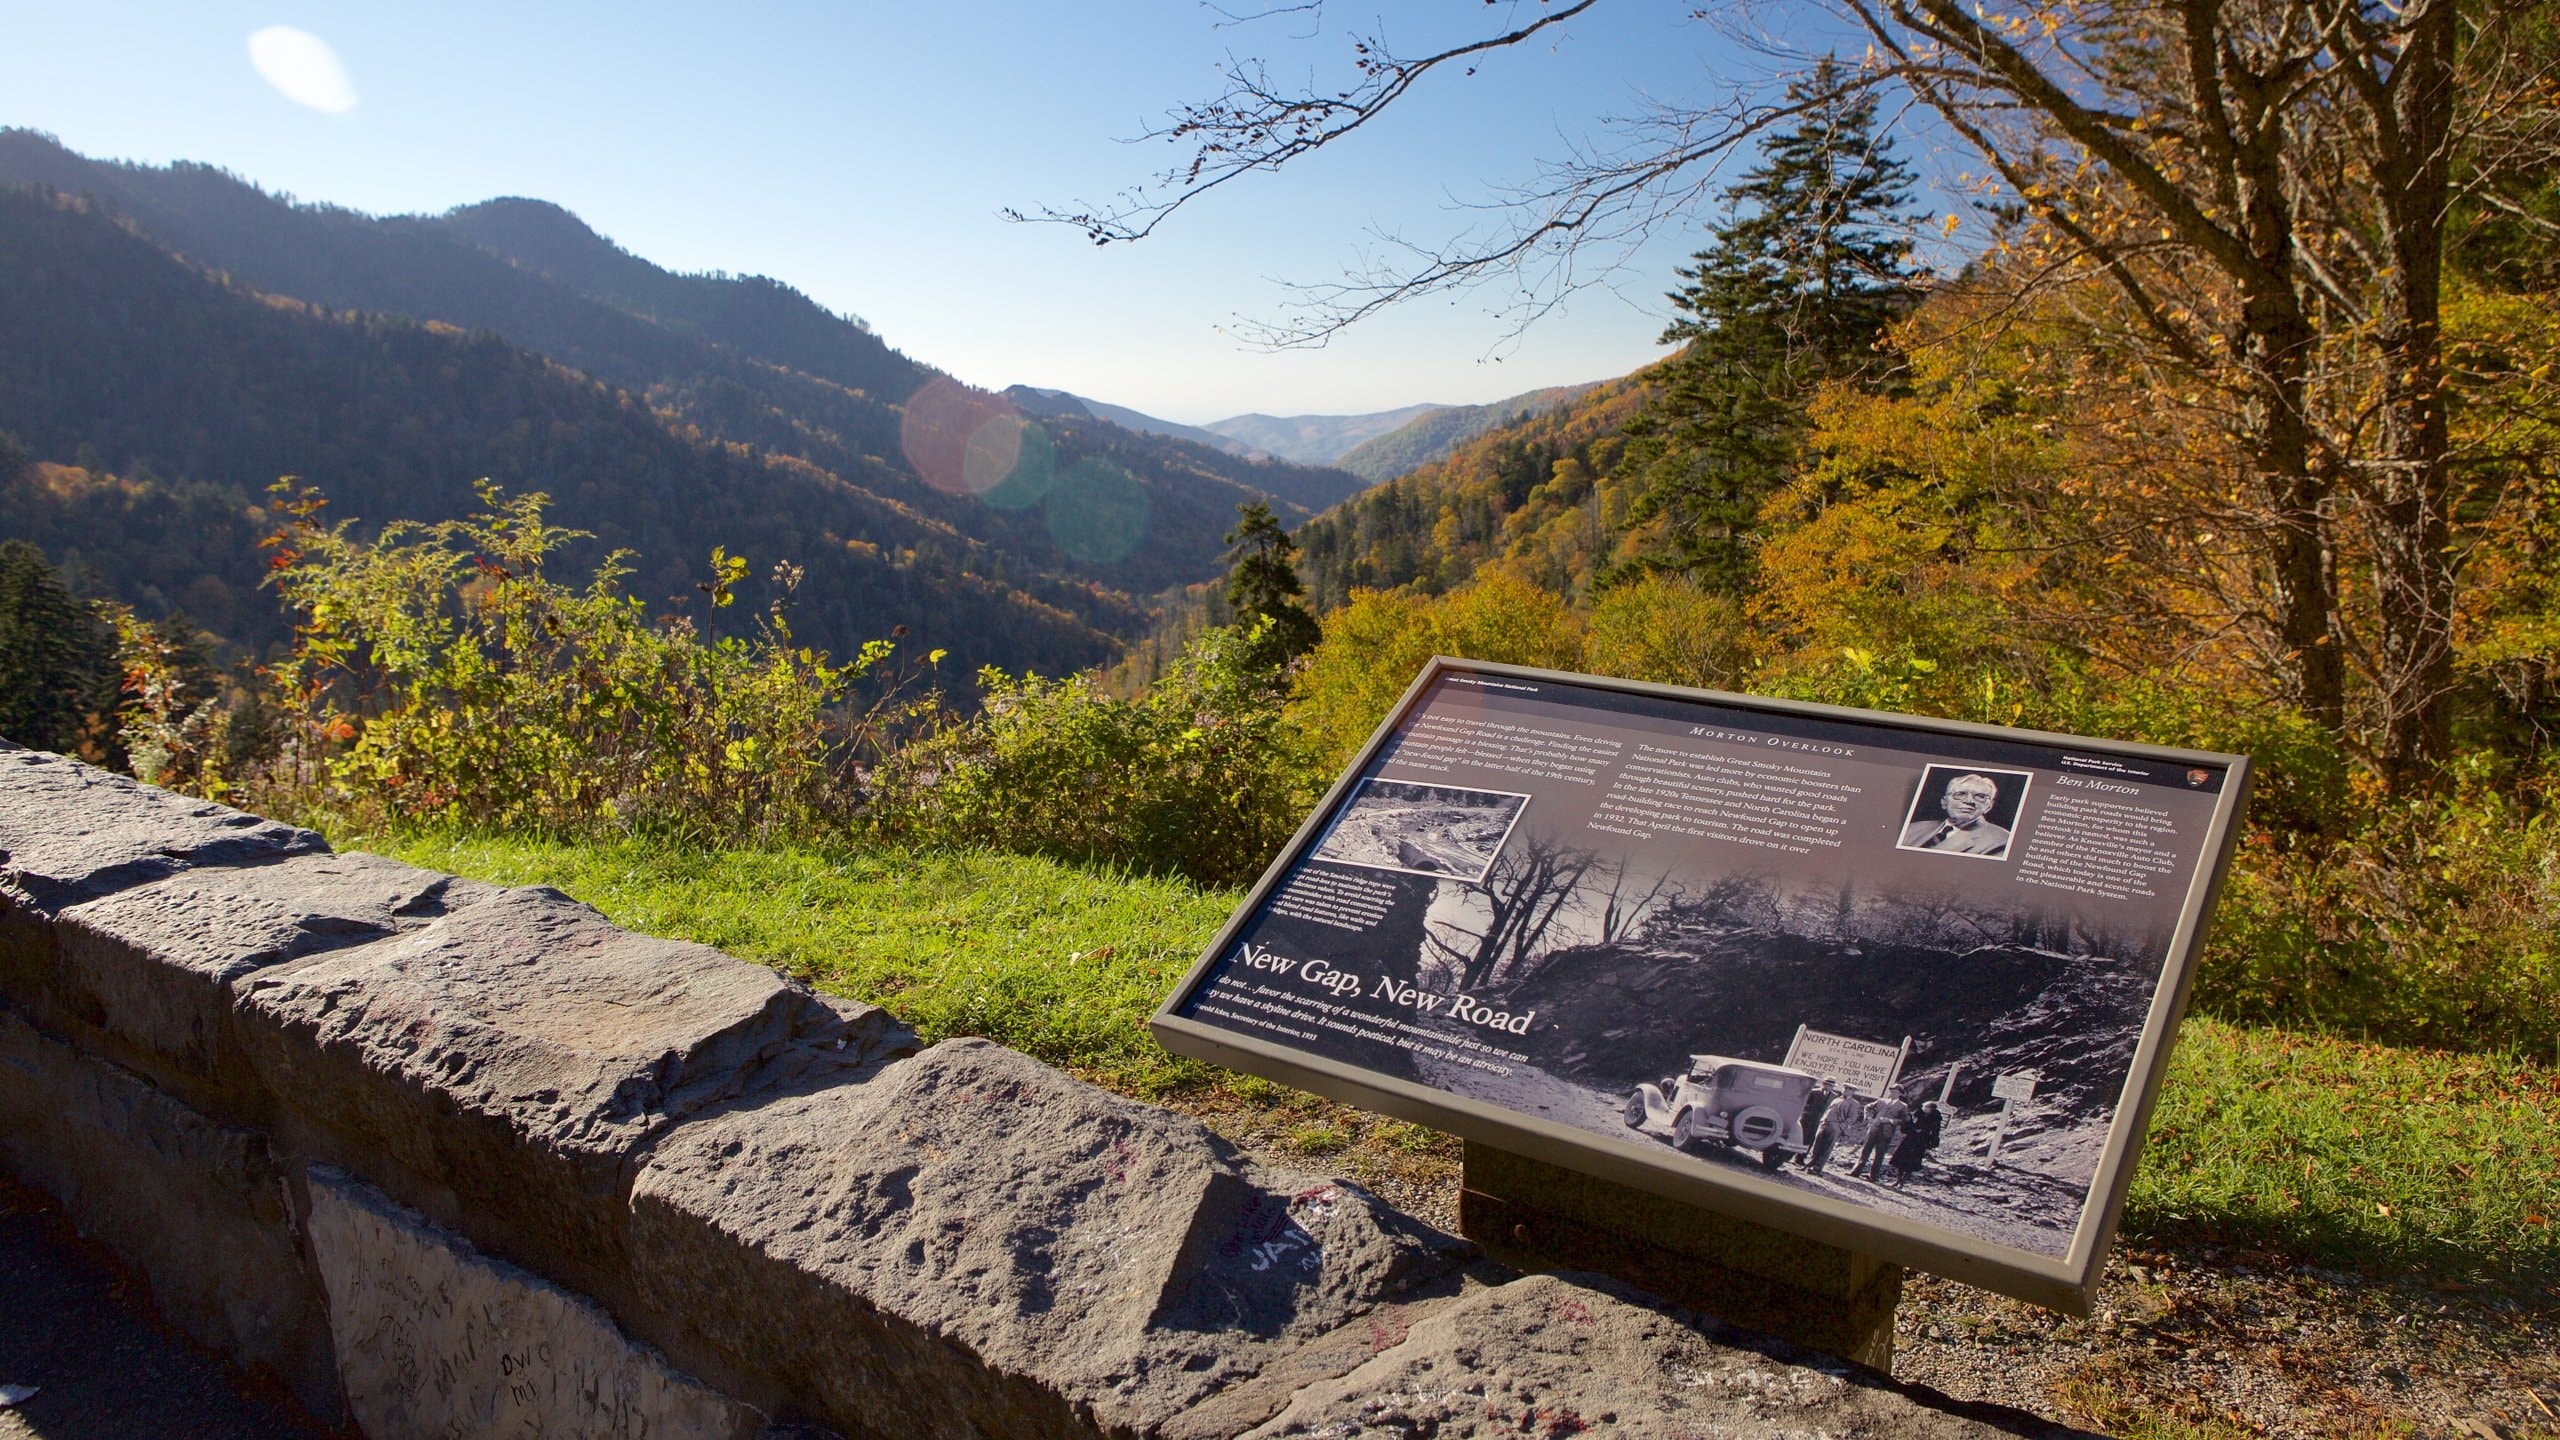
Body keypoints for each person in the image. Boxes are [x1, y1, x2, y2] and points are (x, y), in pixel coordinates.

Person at [1900, 773, 2011, 857]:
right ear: (1944, 802)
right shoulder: (1912, 828)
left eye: (1980, 796)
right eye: (1960, 794)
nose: (1968, 801)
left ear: (1989, 806)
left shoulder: (2002, 840)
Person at [1852, 1087, 1915, 1180]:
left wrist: (1891, 1120)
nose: (1892, 1094)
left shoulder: (1903, 1106)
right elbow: (1868, 1107)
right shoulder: (1881, 1101)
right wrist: (1869, 1118)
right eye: (1891, 1092)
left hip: (1887, 1132)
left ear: (1900, 1094)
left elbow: (1905, 1120)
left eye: (1895, 1092)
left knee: (1879, 1154)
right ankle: (1855, 1172)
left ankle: (1873, 1176)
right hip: (1874, 1128)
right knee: (1865, 1150)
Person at [1806, 1087, 1857, 1174]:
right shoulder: (1836, 1099)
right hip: (1824, 1124)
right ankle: (1810, 1164)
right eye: (1845, 1089)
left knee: (1827, 1147)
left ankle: (1817, 1168)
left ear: (1853, 1092)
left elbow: (1852, 1118)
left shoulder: (1853, 1103)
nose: (1846, 1091)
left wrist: (1841, 1126)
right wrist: (1822, 1121)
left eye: (1849, 1090)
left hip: (1835, 1126)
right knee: (1817, 1145)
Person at [1796, 1080, 1838, 1168]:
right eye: (1826, 1084)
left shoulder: (1834, 1096)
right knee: (1801, 1137)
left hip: (1820, 1121)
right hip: (1807, 1119)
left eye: (1831, 1085)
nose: (1828, 1086)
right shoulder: (1814, 1092)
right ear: (1823, 1084)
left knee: (1810, 1140)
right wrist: (1806, 1113)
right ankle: (1791, 1156)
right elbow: (1804, 1103)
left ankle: (1801, 1158)